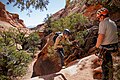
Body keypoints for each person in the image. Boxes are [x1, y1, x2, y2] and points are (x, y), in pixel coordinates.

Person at [95, 7, 118, 80]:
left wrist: (97, 47)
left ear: (102, 16)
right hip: (115, 48)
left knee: (106, 70)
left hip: (107, 50)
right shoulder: (113, 23)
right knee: (113, 70)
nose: (99, 19)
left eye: (99, 18)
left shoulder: (103, 23)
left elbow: (101, 36)